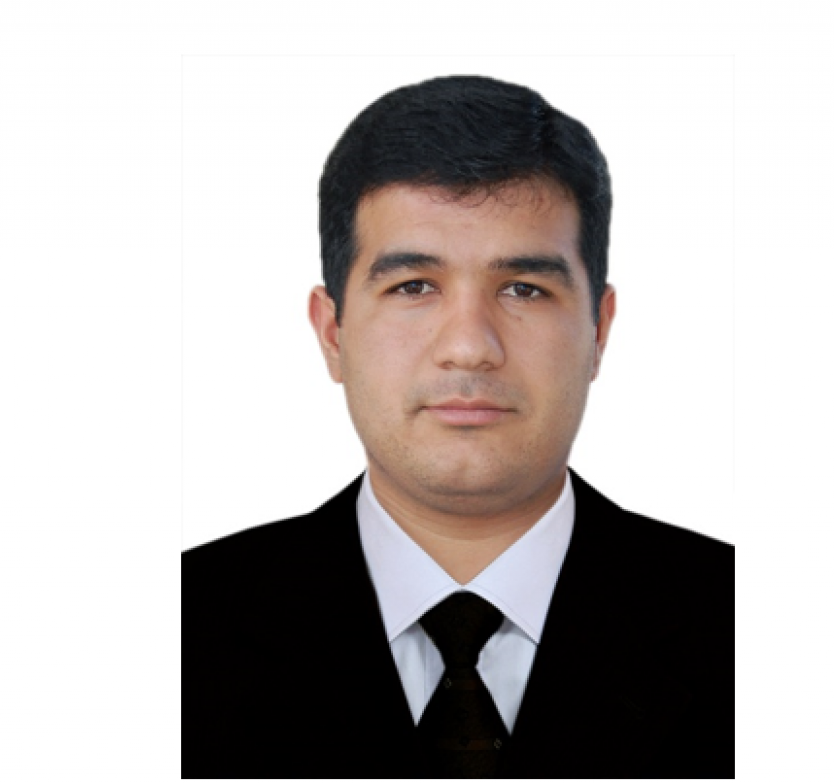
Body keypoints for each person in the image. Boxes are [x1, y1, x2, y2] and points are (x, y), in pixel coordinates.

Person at [181, 75, 734, 779]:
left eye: (524, 289)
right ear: (332, 332)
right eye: (413, 286)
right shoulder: (181, 625)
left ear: (598, 330)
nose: (470, 346)